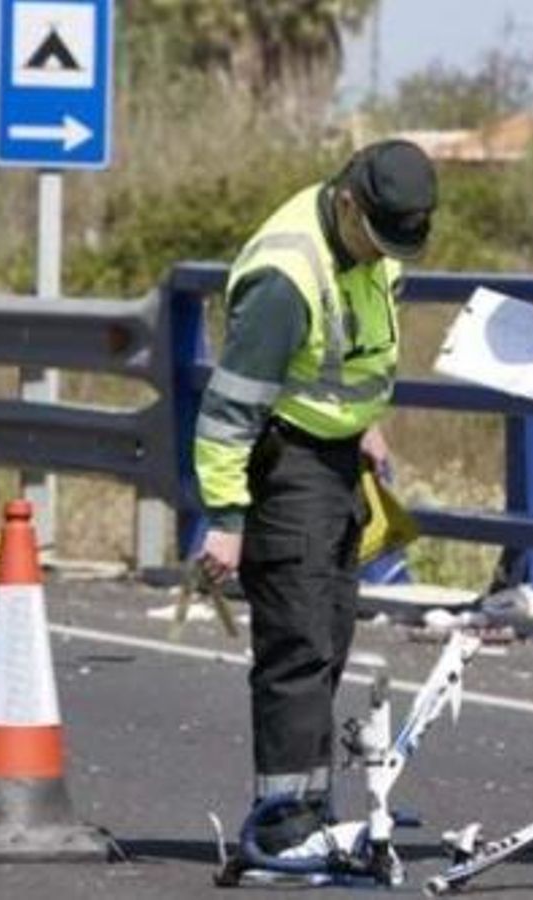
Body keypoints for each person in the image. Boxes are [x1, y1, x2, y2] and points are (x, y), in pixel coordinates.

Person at [192, 139, 437, 856]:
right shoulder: (286, 276)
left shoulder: (376, 247)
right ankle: (281, 822)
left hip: (337, 460)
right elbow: (229, 411)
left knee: (328, 636)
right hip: (286, 460)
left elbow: (358, 348)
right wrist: (227, 522)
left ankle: (308, 803)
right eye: (377, 237)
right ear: (347, 201)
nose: (383, 254)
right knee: (296, 644)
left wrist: (368, 425)